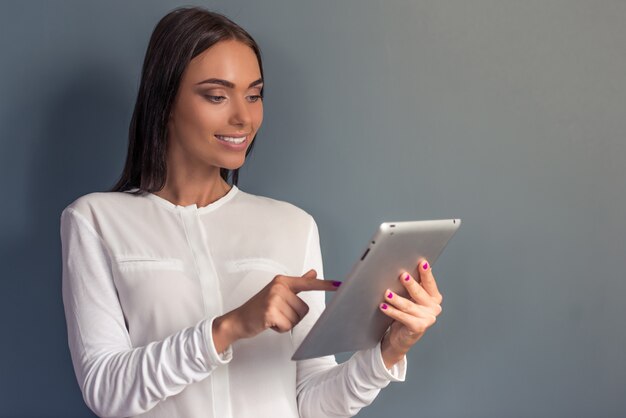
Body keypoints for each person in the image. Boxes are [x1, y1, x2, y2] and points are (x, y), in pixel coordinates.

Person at [60, 7, 443, 418]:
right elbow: (105, 392)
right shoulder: (95, 221)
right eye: (216, 95)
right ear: (165, 100)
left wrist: (389, 350)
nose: (243, 117)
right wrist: (229, 328)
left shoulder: (292, 226)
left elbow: (311, 402)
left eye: (254, 94)